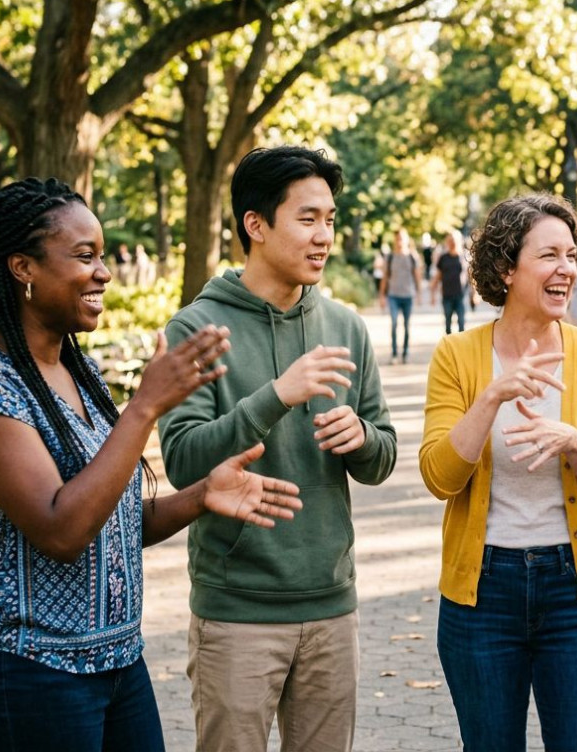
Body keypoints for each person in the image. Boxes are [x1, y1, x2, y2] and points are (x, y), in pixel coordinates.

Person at [0, 177, 303, 752]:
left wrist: (201, 495)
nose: (104, 271)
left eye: (102, 254)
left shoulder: (73, 372)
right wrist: (145, 407)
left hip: (115, 661)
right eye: (84, 256)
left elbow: (112, 517)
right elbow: (62, 529)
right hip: (29, 669)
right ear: (22, 267)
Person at [159, 146, 398, 752]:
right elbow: (185, 461)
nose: (324, 237)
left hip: (331, 606)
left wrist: (363, 440)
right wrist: (276, 395)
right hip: (236, 610)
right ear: (256, 225)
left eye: (330, 219)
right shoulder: (195, 328)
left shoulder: (346, 327)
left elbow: (383, 456)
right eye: (308, 219)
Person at [419, 193, 577, 752]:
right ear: (505, 270)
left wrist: (574, 444)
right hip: (481, 596)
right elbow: (439, 477)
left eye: (571, 255)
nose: (566, 268)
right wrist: (491, 396)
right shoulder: (456, 356)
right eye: (548, 256)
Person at [379, 227, 423, 364]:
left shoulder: (412, 257)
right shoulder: (390, 257)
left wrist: (419, 294)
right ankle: (393, 353)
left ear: (406, 240)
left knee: (407, 325)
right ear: (395, 240)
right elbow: (385, 277)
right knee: (393, 324)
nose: (399, 241)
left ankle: (405, 352)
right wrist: (381, 295)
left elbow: (417, 277)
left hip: (408, 296)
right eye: (397, 238)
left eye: (402, 238)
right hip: (393, 295)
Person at [430, 229, 468, 334]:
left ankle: (461, 348)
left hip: (460, 296)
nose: (452, 242)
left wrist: (474, 294)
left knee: (461, 323)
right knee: (448, 323)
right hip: (447, 295)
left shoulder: (463, 257)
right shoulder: (443, 258)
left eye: (454, 240)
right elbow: (438, 276)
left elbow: (470, 275)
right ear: (447, 242)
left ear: (459, 241)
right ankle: (449, 348)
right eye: (450, 240)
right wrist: (433, 293)